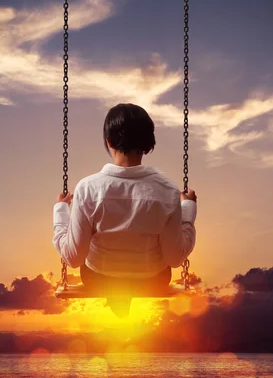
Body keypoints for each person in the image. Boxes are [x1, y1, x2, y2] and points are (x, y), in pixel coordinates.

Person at [52, 103, 197, 316]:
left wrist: (61, 210)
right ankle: (122, 295)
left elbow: (73, 258)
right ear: (148, 143)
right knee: (153, 265)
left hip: (99, 280)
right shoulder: (167, 189)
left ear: (109, 142)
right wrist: (188, 209)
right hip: (153, 281)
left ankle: (118, 295)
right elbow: (175, 258)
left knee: (94, 259)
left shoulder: (88, 188)